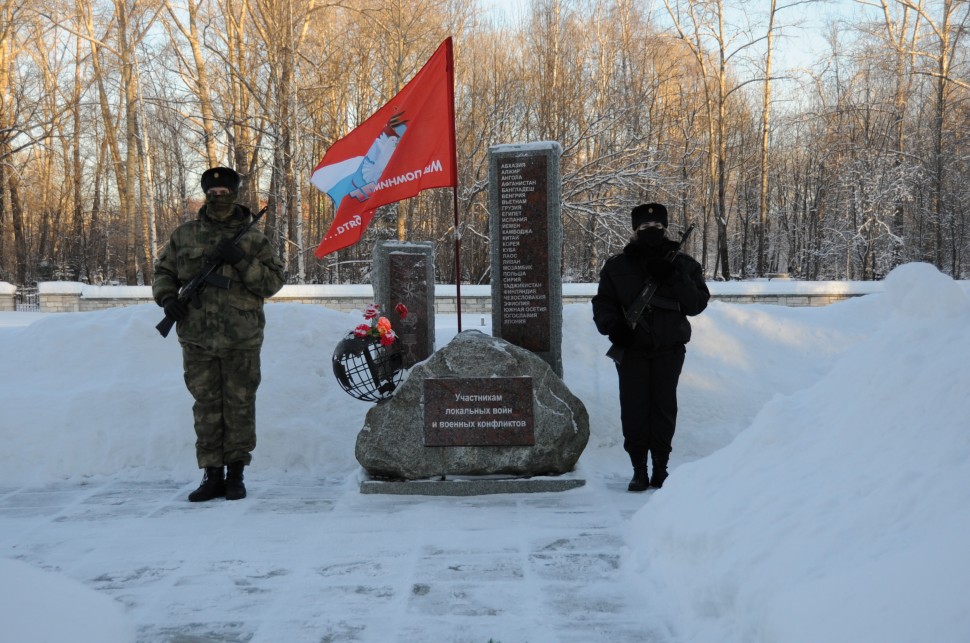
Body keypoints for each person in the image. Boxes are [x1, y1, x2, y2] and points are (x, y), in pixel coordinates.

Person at [153, 166, 286, 502]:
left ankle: (236, 475)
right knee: (206, 407)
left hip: (242, 338)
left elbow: (271, 283)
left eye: (224, 193)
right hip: (197, 338)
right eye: (212, 194)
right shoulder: (185, 235)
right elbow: (164, 272)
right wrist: (168, 299)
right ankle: (211, 475)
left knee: (240, 405)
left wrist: (241, 260)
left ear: (235, 194)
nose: (218, 197)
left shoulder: (254, 238)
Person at [592, 203, 709, 491]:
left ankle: (660, 468)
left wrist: (673, 276)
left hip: (669, 350)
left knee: (664, 409)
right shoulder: (617, 266)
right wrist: (615, 328)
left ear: (665, 229)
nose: (651, 232)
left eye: (657, 228)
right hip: (631, 350)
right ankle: (638, 470)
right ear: (635, 231)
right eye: (644, 228)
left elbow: (696, 304)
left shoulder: (684, 265)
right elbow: (603, 303)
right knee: (634, 410)